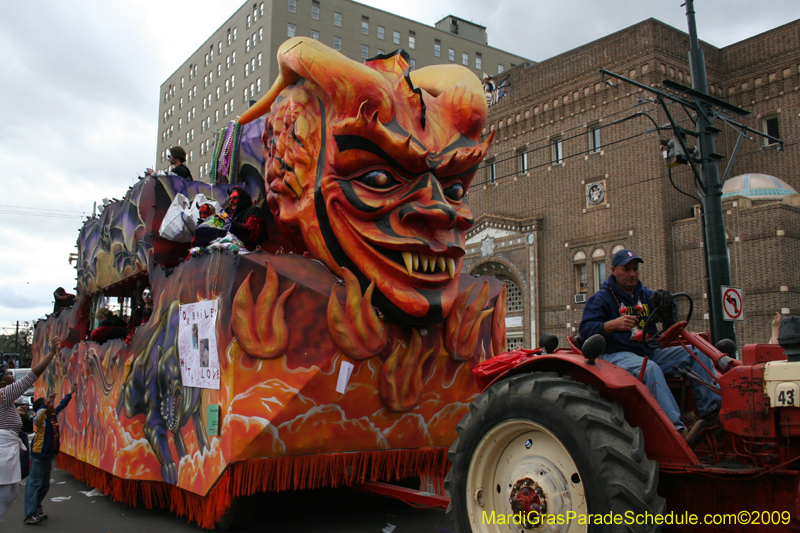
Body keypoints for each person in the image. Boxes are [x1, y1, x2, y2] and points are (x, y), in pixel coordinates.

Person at [579, 249, 721, 445]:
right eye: (626, 269)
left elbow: (669, 318)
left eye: (635, 269)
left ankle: (713, 414)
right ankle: (678, 431)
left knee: (697, 353)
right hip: (614, 355)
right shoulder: (602, 298)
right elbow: (585, 330)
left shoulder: (646, 295)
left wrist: (668, 305)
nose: (632, 274)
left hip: (649, 350)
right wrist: (612, 325)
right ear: (613, 270)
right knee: (650, 368)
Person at [0, 335, 60, 524]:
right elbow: (31, 376)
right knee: (6, 493)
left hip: (8, 449)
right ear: (1, 381)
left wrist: (16, 412)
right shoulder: (4, 393)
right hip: (3, 450)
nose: (11, 374)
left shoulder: (4, 398)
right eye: (7, 373)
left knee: (10, 492)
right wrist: (50, 355)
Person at [24, 383, 77, 524]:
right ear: (44, 408)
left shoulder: (51, 416)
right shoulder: (41, 421)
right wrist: (44, 405)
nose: (53, 406)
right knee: (35, 484)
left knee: (44, 485)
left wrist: (70, 393)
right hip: (39, 456)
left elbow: (61, 406)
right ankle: (29, 514)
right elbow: (37, 417)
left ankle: (36, 510)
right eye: (50, 405)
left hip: (47, 456)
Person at [226, 186, 267, 250]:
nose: (231, 201)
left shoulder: (253, 211)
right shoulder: (231, 216)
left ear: (242, 199)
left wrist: (232, 225)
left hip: (250, 255)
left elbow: (251, 232)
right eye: (230, 199)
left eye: (235, 198)